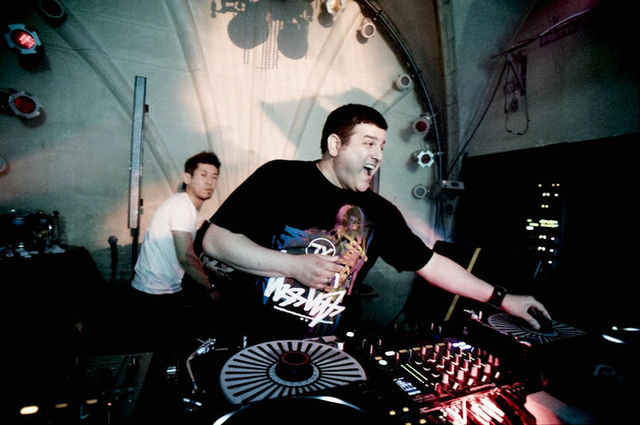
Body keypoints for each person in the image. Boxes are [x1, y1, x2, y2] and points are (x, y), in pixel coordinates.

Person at [199, 104, 551, 342]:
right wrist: (292, 266)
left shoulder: (380, 212)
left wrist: (503, 298)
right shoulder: (280, 177)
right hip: (256, 345)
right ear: (335, 144)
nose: (378, 155)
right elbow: (215, 241)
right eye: (368, 143)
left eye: (382, 146)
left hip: (330, 352)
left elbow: (432, 265)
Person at [129, 151, 221, 352]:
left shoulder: (183, 205)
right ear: (187, 178)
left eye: (214, 177)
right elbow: (185, 256)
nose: (210, 182)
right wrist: (210, 287)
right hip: (154, 294)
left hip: (159, 290)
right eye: (203, 175)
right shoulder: (182, 206)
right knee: (164, 353)